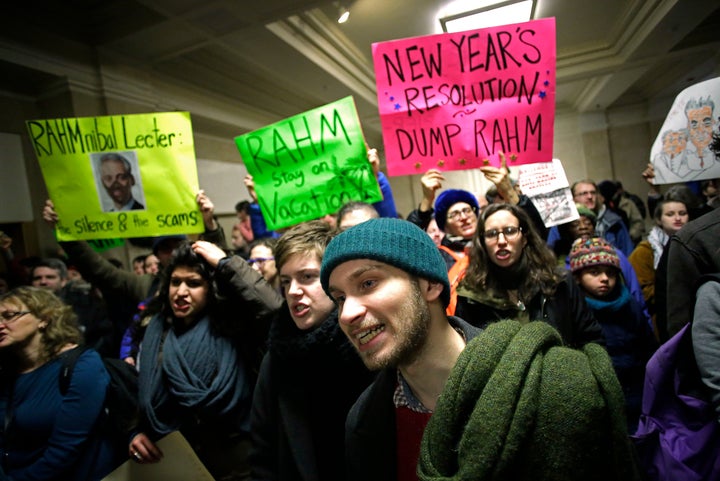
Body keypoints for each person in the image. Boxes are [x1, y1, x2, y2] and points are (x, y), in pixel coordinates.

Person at [320, 218, 480, 481]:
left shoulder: (535, 381)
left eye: (368, 283)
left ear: (429, 284)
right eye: (340, 298)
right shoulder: (365, 420)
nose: (347, 314)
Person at [128, 240, 281, 481]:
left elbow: (275, 312)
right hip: (176, 461)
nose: (180, 292)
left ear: (211, 288)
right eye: (175, 282)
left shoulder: (235, 327)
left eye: (194, 283)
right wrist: (136, 432)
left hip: (238, 464)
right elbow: (146, 394)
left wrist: (225, 264)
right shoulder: (157, 330)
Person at [417, 320, 641, 481]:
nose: (501, 249)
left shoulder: (566, 386)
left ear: (431, 286)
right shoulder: (385, 402)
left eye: (379, 281)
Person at [249, 221, 374, 481]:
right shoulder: (276, 359)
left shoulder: (369, 346)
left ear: (335, 280)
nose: (293, 291)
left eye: (307, 277)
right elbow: (263, 452)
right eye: (285, 281)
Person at [0, 287, 123, 480]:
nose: (1, 324)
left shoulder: (81, 364)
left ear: (44, 319)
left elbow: (65, 448)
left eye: (9, 315)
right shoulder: (8, 371)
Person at [455, 203, 604, 348]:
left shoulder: (559, 281)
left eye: (510, 231)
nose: (501, 241)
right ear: (483, 242)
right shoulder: (470, 295)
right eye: (491, 234)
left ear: (524, 238)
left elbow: (591, 338)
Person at [569, 237, 657, 431]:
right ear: (577, 276)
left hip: (637, 393)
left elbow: (648, 347)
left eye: (610, 273)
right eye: (594, 272)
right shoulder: (573, 309)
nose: (604, 279)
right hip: (597, 399)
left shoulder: (628, 304)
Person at [629, 196, 689, 335]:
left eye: (682, 213)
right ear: (658, 219)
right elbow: (641, 290)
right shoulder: (645, 250)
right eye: (670, 214)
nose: (678, 218)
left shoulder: (694, 245)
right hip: (660, 319)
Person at [570, 179, 634, 255]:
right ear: (573, 198)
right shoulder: (564, 224)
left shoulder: (614, 221)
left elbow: (628, 253)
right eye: (584, 193)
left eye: (593, 193)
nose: (590, 196)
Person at [597, 179, 645, 245]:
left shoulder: (627, 203)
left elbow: (638, 222)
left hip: (630, 241)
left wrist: (629, 236)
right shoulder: (600, 207)